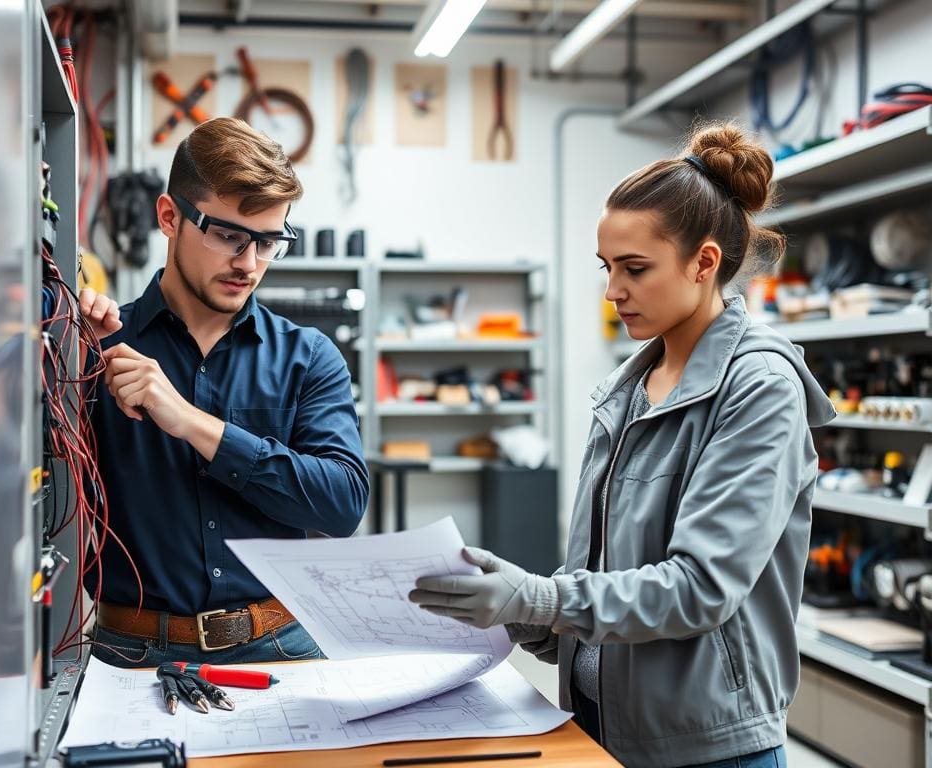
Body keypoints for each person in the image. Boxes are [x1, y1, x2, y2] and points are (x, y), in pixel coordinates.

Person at [409, 123, 835, 768]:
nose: (613, 292)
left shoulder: (759, 387)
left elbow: (700, 588)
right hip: (601, 724)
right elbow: (613, 573)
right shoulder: (631, 386)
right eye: (608, 268)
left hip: (706, 746)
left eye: (635, 269)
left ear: (705, 262)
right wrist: (520, 607)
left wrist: (540, 597)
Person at [80, 117, 369, 668]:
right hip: (131, 651)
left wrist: (193, 422)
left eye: (268, 242)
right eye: (229, 236)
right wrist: (65, 365)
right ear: (169, 216)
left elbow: (341, 506)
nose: (249, 264)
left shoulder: (307, 357)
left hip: (279, 646)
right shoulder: (100, 345)